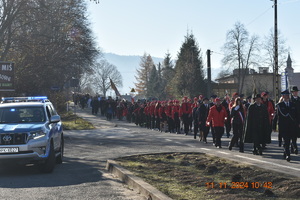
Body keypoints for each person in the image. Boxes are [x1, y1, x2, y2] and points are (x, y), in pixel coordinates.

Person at [273, 90, 299, 161]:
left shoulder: (293, 105)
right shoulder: (279, 105)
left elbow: (297, 115)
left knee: (293, 139)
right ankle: (288, 154)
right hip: (284, 127)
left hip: (292, 126)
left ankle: (287, 151)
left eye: (288, 95)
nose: (287, 97)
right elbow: (276, 116)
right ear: (283, 96)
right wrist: (274, 126)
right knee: (286, 141)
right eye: (286, 95)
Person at [290, 86, 300, 154]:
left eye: (296, 92)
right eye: (294, 92)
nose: (295, 93)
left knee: (296, 134)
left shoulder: (299, 99)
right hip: (291, 120)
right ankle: (295, 147)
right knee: (293, 135)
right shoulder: (290, 100)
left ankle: (292, 146)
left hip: (298, 120)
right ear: (292, 93)